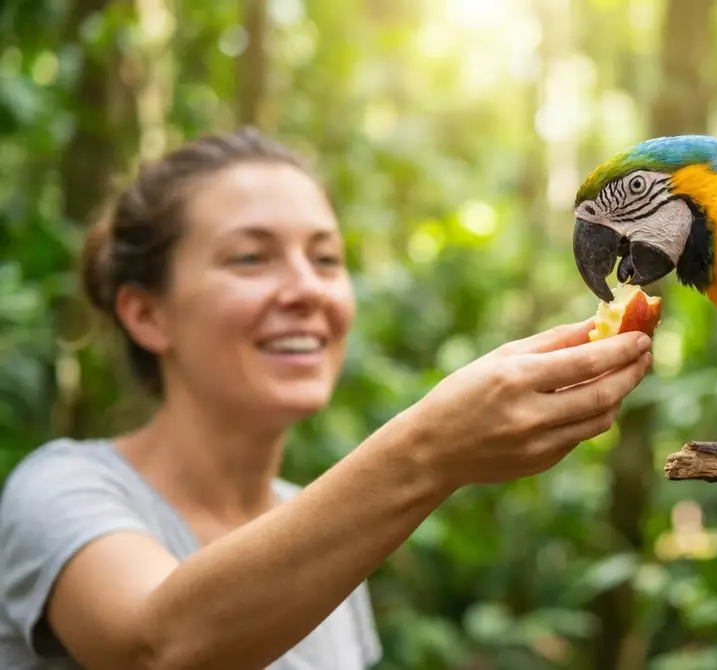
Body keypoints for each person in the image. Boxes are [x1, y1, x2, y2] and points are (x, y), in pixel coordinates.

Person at [0, 128, 654, 670]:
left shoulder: (323, 528)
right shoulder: (61, 489)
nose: (306, 289)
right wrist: (429, 452)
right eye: (251, 259)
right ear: (147, 314)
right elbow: (156, 647)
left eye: (325, 259)